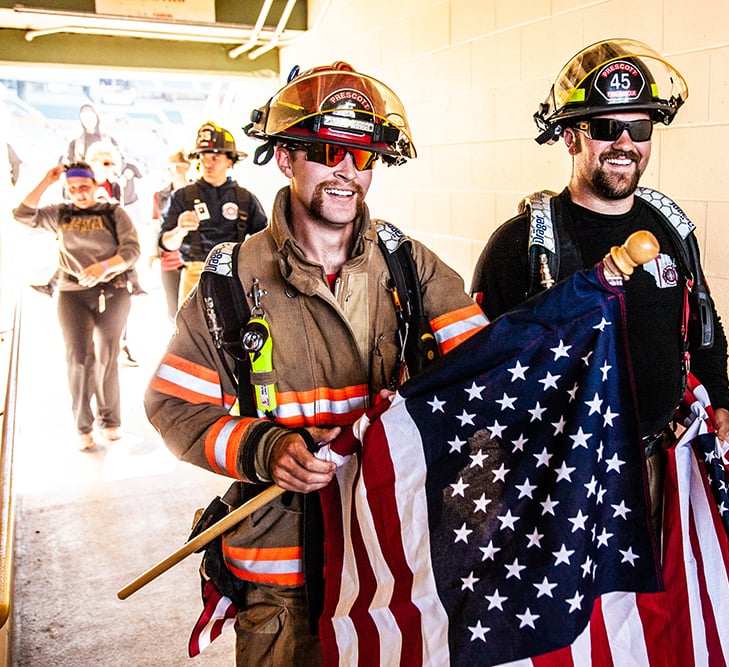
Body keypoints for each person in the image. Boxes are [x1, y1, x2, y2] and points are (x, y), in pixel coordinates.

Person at [144, 62, 488, 663]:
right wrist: (264, 449)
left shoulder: (410, 267)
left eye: (364, 156)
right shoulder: (229, 281)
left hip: (395, 555)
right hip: (283, 577)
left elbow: (486, 373)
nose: (348, 172)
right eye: (329, 150)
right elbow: (173, 404)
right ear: (285, 159)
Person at [471, 38, 729, 526]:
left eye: (639, 126)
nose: (625, 143)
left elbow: (703, 324)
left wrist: (719, 401)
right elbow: (476, 365)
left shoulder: (670, 229)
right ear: (570, 137)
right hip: (552, 482)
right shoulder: (520, 246)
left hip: (656, 469)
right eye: (606, 127)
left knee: (648, 603)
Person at [14, 161, 140, 451]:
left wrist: (104, 267)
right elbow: (22, 215)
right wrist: (46, 180)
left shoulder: (112, 212)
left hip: (113, 290)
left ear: (95, 184)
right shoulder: (61, 213)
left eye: (84, 187)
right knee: (79, 359)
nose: (79, 193)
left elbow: (132, 250)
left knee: (108, 355)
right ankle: (83, 425)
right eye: (72, 189)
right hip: (72, 292)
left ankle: (110, 420)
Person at [158, 121, 268, 305]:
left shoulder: (245, 199)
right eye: (203, 157)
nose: (208, 163)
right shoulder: (181, 196)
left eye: (215, 157)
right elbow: (165, 244)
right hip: (194, 273)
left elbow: (264, 241)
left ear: (230, 161)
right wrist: (179, 230)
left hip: (235, 274)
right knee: (190, 332)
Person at [152, 150, 191, 319]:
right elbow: (156, 226)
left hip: (193, 258)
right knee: (174, 313)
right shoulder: (160, 196)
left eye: (178, 166)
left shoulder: (199, 192)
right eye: (170, 167)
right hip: (169, 259)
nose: (174, 171)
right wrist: (154, 253)